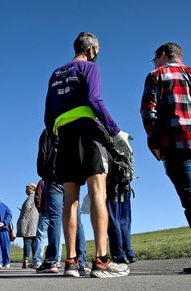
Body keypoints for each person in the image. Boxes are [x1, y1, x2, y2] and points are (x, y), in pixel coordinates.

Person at [44, 32, 131, 277]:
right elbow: (94, 98)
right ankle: (101, 260)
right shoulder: (89, 68)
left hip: (65, 136)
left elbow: (48, 115)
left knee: (69, 200)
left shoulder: (56, 73)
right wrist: (115, 130)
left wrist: (56, 139)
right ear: (92, 50)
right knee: (97, 194)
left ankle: (70, 262)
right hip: (88, 134)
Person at [140, 42, 191, 273]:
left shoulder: (156, 75)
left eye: (155, 58)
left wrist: (154, 143)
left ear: (162, 55)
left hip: (176, 144)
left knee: (189, 198)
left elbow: (149, 112)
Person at [35, 129, 90, 275]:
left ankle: (52, 261)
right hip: (72, 178)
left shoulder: (48, 132)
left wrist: (46, 174)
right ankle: (81, 262)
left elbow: (42, 158)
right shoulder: (75, 128)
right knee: (76, 218)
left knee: (55, 218)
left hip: (54, 178)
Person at [16, 183, 39, 268]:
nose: (26, 191)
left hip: (28, 222)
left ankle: (25, 260)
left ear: (32, 189)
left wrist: (22, 217)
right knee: (34, 242)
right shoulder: (37, 196)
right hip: (35, 222)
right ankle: (35, 260)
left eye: (27, 189)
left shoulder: (31, 197)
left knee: (27, 240)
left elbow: (27, 208)